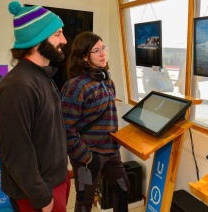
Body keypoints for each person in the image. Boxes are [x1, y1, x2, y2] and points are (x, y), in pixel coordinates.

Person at [0, 1, 69, 211]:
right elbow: (16, 152)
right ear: (38, 41)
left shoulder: (42, 77)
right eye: (58, 34)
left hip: (54, 182)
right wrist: (41, 197)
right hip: (37, 194)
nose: (64, 40)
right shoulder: (17, 87)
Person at [61, 31, 130, 212]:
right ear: (84, 57)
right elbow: (65, 128)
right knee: (85, 202)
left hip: (111, 152)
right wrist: (87, 157)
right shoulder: (75, 87)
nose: (103, 54)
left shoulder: (108, 82)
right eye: (96, 50)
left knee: (123, 188)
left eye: (103, 48)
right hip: (88, 156)